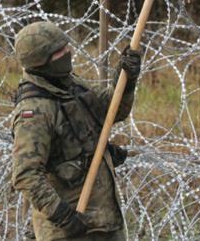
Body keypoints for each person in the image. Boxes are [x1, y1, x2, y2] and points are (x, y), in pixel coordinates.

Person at [10, 21, 141, 240]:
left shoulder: (68, 84)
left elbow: (112, 111)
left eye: (66, 46)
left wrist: (125, 81)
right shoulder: (34, 111)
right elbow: (26, 174)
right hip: (70, 230)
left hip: (103, 219)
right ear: (41, 61)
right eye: (59, 51)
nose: (67, 52)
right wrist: (63, 216)